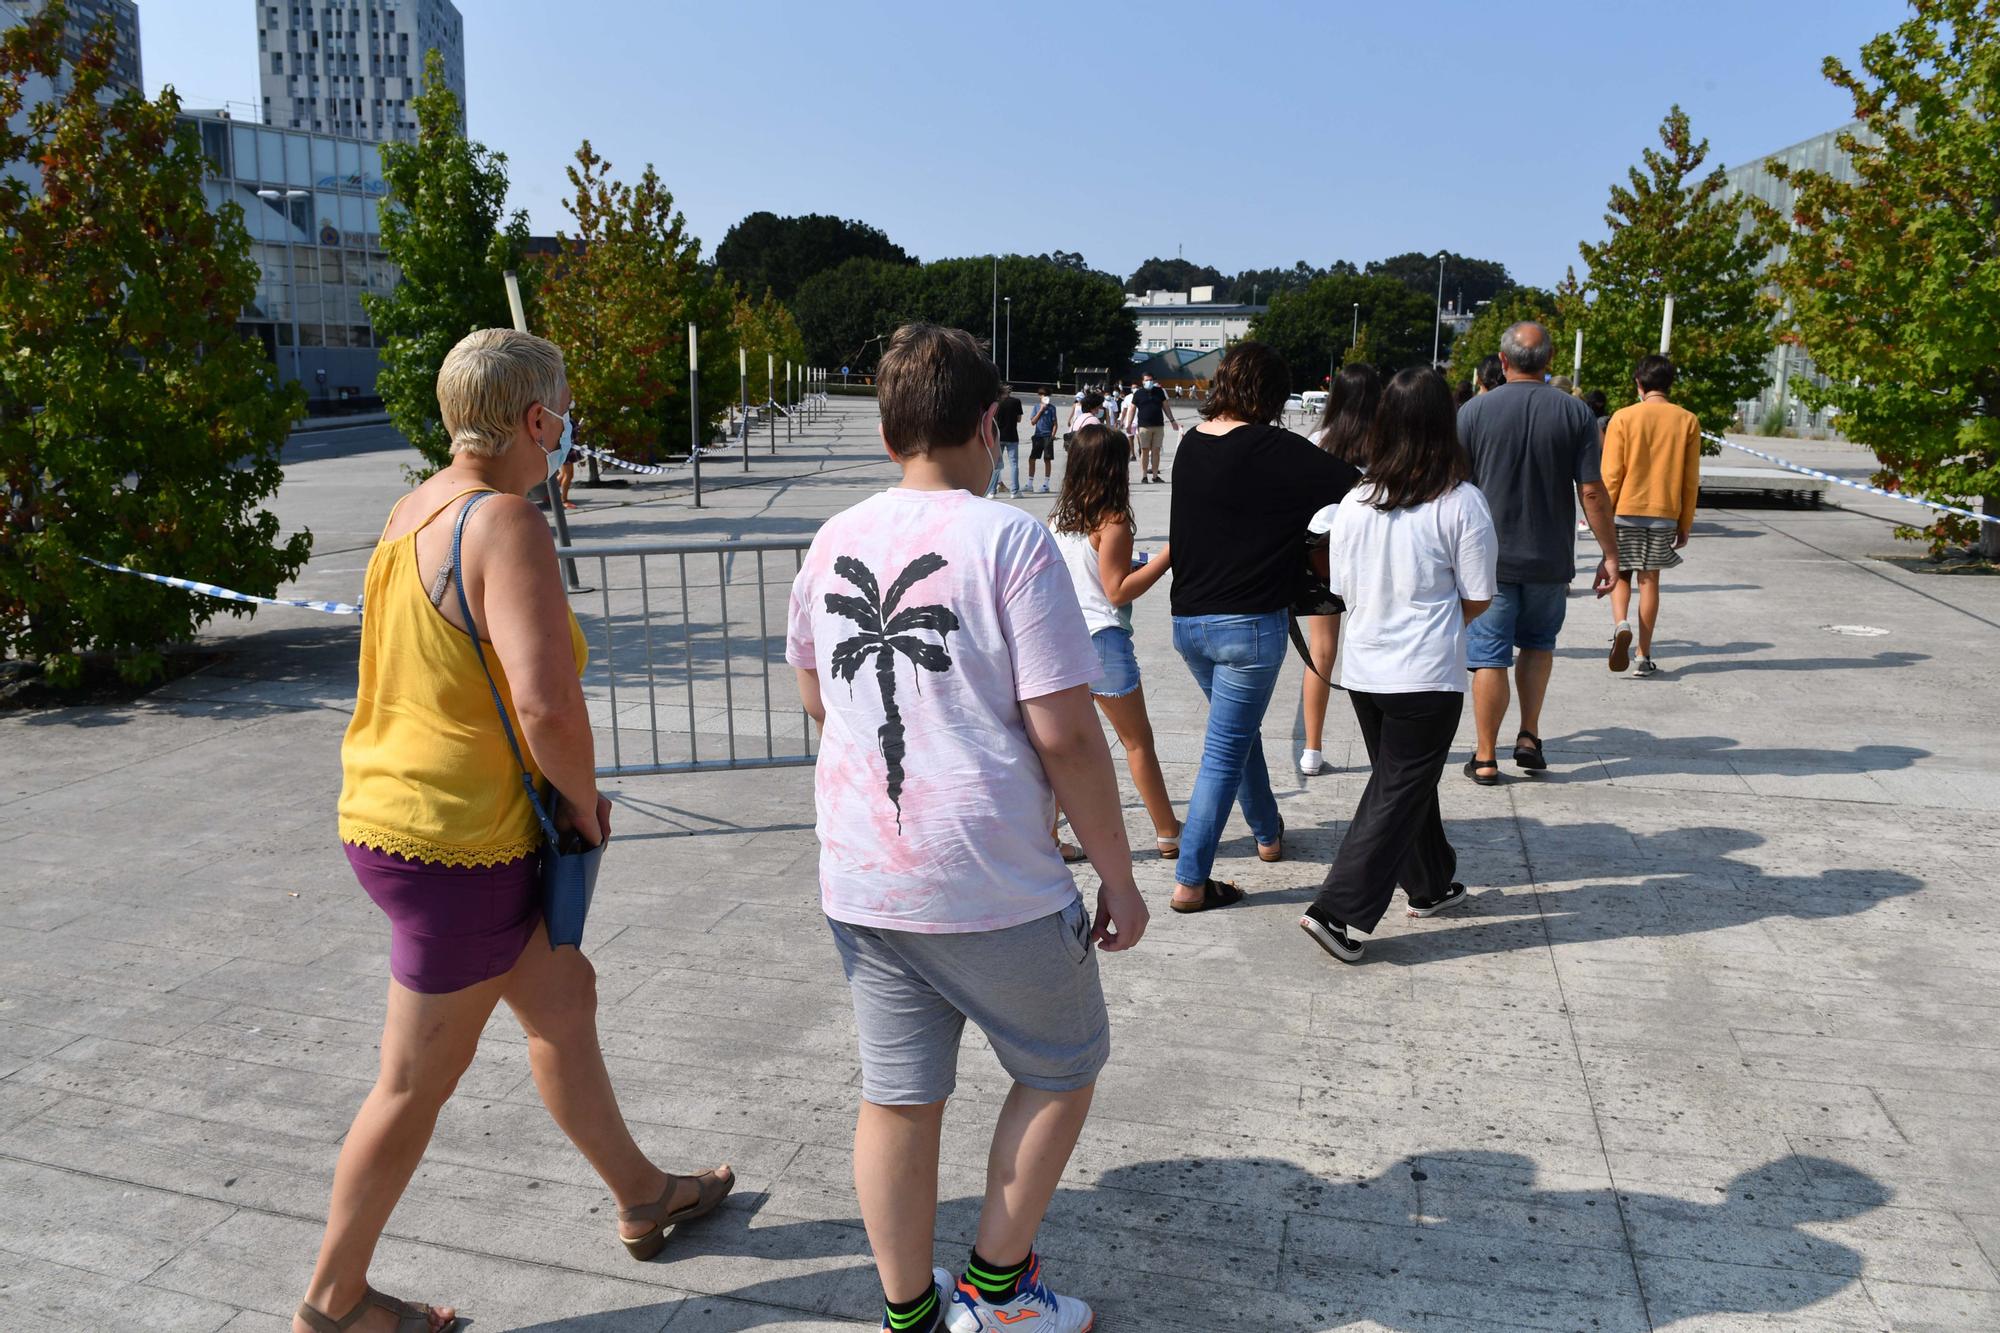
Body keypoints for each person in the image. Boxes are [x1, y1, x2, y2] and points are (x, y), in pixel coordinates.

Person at [304, 330, 732, 1333]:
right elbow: (546, 707)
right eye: (564, 410)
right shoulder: (507, 522)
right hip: (460, 843)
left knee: (561, 1000)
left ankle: (641, 1192)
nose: (568, 430)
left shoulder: (415, 507)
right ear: (536, 420)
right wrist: (582, 805)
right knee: (413, 1082)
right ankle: (332, 1303)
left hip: (397, 815)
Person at [787, 323, 1147, 1333]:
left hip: (864, 876)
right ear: (991, 425)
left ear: (886, 427)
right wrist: (1116, 875)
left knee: (896, 1096)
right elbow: (1067, 732)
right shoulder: (1011, 540)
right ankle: (995, 1293)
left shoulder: (832, 537)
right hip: (989, 874)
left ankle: (909, 1312)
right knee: (1061, 1064)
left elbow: (817, 690)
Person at [1299, 368, 1498, 963]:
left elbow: (1335, 577)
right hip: (1425, 672)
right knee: (1398, 784)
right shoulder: (1461, 502)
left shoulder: (1356, 500)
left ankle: (1432, 884)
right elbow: (1480, 593)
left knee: (1406, 779)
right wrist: (1436, 625)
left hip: (1365, 666)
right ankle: (1338, 911)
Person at [1167, 340, 1359, 912]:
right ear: (1273, 394)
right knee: (1224, 750)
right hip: (1248, 626)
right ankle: (1191, 880)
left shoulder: (1188, 446)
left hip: (1188, 622)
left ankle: (1269, 832)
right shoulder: (1279, 448)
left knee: (1237, 733)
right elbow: (1359, 486)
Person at [1455, 321, 1619, 786]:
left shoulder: (1472, 412)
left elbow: (1455, 488)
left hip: (1488, 558)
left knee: (1488, 656)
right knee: (1538, 644)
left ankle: (1485, 756)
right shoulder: (1575, 413)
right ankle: (1529, 735)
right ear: (1550, 362)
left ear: (1502, 362)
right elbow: (1591, 491)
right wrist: (1610, 554)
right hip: (1549, 557)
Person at [1050, 422, 1183, 858]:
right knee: (1136, 741)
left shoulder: (1057, 520)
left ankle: (1049, 839)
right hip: (1102, 640)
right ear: (1113, 469)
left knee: (1060, 749)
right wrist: (1167, 557)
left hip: (1061, 641)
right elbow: (1117, 590)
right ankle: (1168, 831)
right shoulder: (1114, 522)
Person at [1297, 362, 1381, 777]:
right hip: (1373, 554)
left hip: (1323, 551)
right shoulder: (1386, 443)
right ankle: (1383, 747)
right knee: (1375, 643)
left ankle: (1312, 748)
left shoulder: (1318, 440)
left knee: (1321, 651)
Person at [1602, 354, 1701, 678]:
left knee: (1622, 575)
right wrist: (1684, 522)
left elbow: (1612, 473)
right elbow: (1690, 478)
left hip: (1625, 510)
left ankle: (1621, 625)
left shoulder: (1623, 417)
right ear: (1670, 384)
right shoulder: (1687, 420)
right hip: (1663, 513)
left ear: (1639, 384)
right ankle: (1643, 655)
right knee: (1650, 580)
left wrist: (1603, 514)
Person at [1122, 370, 1180, 484]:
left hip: (1158, 426)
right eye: (1146, 380)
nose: (1149, 382)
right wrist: (1128, 424)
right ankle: (1144, 476)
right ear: (1142, 382)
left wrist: (1172, 420)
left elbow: (1166, 407)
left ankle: (1154, 475)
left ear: (1153, 381)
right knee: (1144, 450)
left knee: (1156, 450)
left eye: (1150, 380)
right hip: (1144, 426)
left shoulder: (1159, 392)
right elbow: (1132, 409)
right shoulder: (1138, 393)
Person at [985, 385, 1024, 498]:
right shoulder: (1016, 402)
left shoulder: (996, 403)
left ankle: (992, 491)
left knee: (996, 464)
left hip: (998, 436)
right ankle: (1014, 491)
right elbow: (1019, 419)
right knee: (1014, 464)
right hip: (1012, 435)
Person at [1027, 388, 1059, 494]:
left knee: (1047, 460)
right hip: (1038, 436)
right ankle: (1030, 484)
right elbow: (1033, 422)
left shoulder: (1052, 408)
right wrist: (1041, 410)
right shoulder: (1036, 407)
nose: (1044, 397)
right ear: (1039, 396)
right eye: (1042, 395)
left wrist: (1052, 436)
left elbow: (1055, 424)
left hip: (1047, 436)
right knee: (1032, 459)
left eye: (1046, 395)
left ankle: (1046, 484)